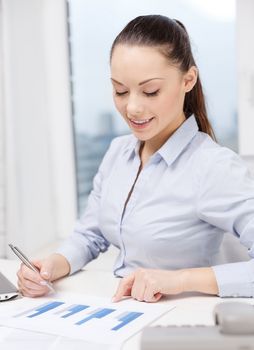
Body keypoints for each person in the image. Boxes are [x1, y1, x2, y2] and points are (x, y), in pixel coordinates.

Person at [17, 15, 254, 302]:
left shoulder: (212, 167)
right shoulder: (118, 152)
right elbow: (90, 235)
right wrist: (53, 265)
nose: (132, 107)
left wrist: (179, 280)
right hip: (123, 312)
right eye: (120, 90)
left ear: (188, 80)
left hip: (179, 325)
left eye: (150, 91)